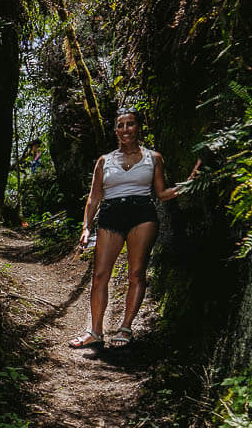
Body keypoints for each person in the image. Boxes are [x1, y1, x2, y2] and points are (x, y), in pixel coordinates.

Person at [68, 107, 200, 350]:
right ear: (116, 130)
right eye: (120, 125)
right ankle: (95, 331)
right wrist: (86, 228)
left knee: (136, 273)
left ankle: (126, 327)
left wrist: (189, 183)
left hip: (142, 214)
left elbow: (161, 193)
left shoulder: (154, 158)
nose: (125, 129)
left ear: (138, 127)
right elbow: (93, 198)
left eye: (130, 124)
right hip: (110, 214)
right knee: (99, 277)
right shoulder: (104, 161)